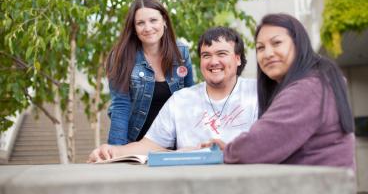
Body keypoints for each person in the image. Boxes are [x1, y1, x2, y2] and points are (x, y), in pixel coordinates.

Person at [203, 14, 356, 194]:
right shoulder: (320, 80)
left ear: (298, 44)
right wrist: (233, 149)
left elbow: (256, 146)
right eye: (260, 48)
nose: (268, 53)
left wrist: (230, 151)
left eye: (276, 43)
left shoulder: (308, 88)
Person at [88, 27, 257, 161]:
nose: (213, 62)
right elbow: (150, 145)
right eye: (206, 55)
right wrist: (113, 151)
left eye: (222, 54)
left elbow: (273, 143)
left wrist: (230, 151)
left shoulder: (258, 94)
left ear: (237, 58)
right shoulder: (181, 100)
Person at [106, 0, 194, 145]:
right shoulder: (121, 56)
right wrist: (117, 151)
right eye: (140, 23)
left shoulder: (181, 53)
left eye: (153, 20)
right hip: (135, 143)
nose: (148, 28)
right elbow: (121, 105)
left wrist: (191, 143)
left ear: (164, 21)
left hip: (174, 144)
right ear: (133, 28)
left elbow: (189, 100)